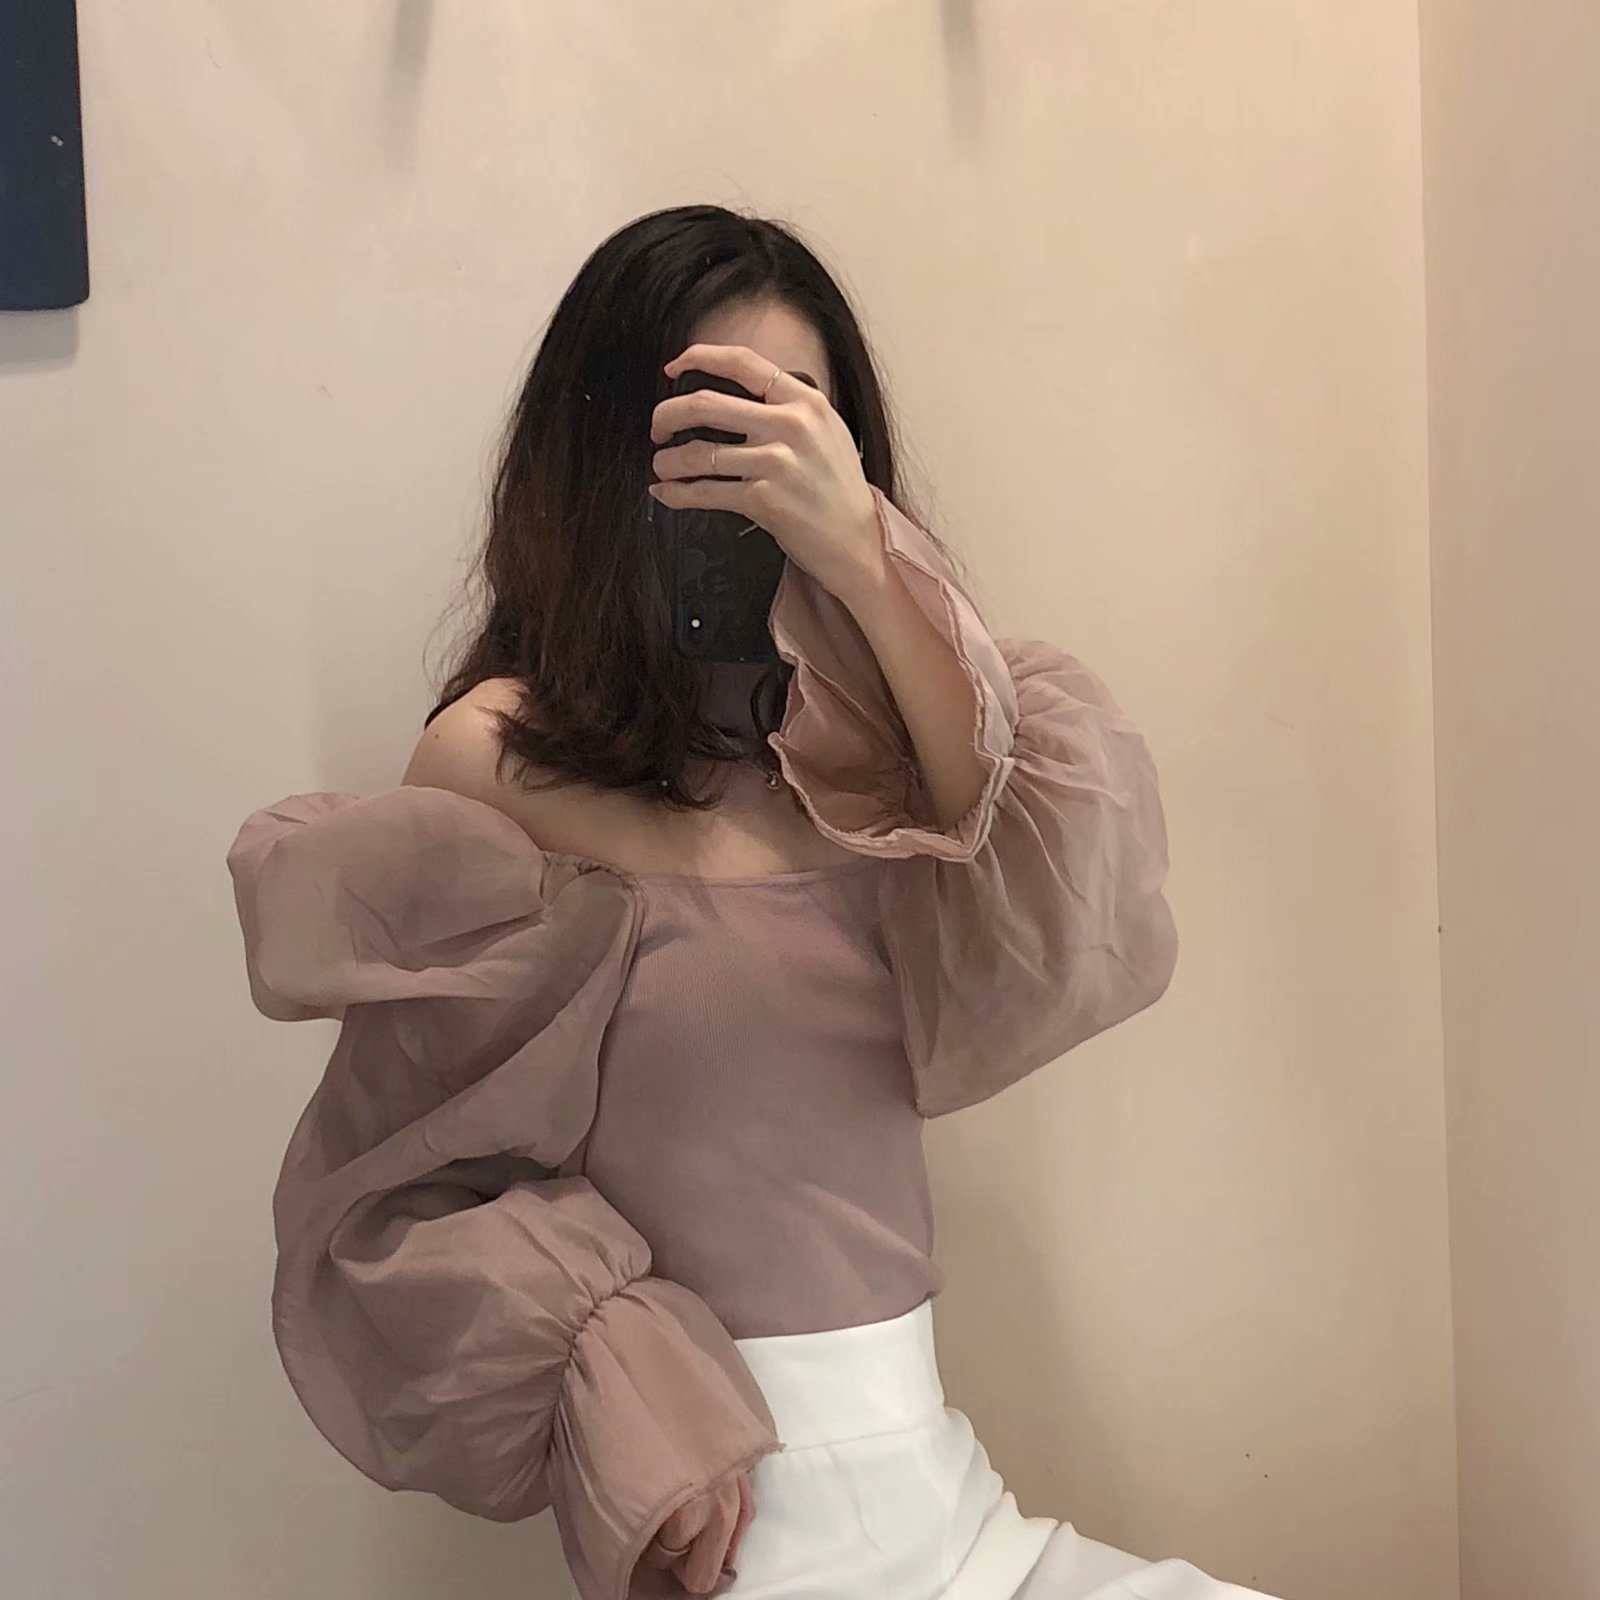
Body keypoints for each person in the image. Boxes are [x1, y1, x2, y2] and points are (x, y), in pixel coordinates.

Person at [225, 206, 1279, 1600]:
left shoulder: (879, 751)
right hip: (737, 1529)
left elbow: (1037, 860)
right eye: (712, 419)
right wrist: (623, 1369)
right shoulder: (499, 759)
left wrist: (863, 558)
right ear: (609, 444)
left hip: (950, 1507)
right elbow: (402, 1183)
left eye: (795, 423)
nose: (754, 468)